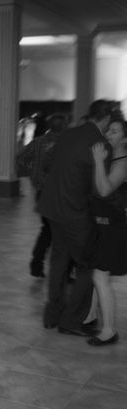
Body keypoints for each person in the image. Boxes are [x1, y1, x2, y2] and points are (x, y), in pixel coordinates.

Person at [38, 100, 112, 336]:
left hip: (52, 207)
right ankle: (71, 321)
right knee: (87, 264)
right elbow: (100, 188)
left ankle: (52, 315)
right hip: (75, 211)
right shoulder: (100, 142)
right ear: (106, 119)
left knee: (59, 260)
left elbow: (47, 163)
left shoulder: (68, 134)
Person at [85, 118, 127, 346]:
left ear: (125, 138)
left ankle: (109, 330)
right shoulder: (116, 159)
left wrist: (98, 160)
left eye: (114, 131)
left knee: (100, 275)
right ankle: (91, 316)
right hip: (104, 224)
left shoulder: (122, 163)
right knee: (97, 272)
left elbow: (104, 189)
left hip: (114, 228)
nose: (108, 134)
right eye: (108, 129)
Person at [16, 113, 68, 277]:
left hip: (42, 193)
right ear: (63, 126)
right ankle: (62, 271)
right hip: (61, 194)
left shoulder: (38, 142)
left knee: (47, 230)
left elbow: (20, 158)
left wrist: (32, 174)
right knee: (60, 232)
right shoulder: (66, 143)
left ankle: (37, 265)